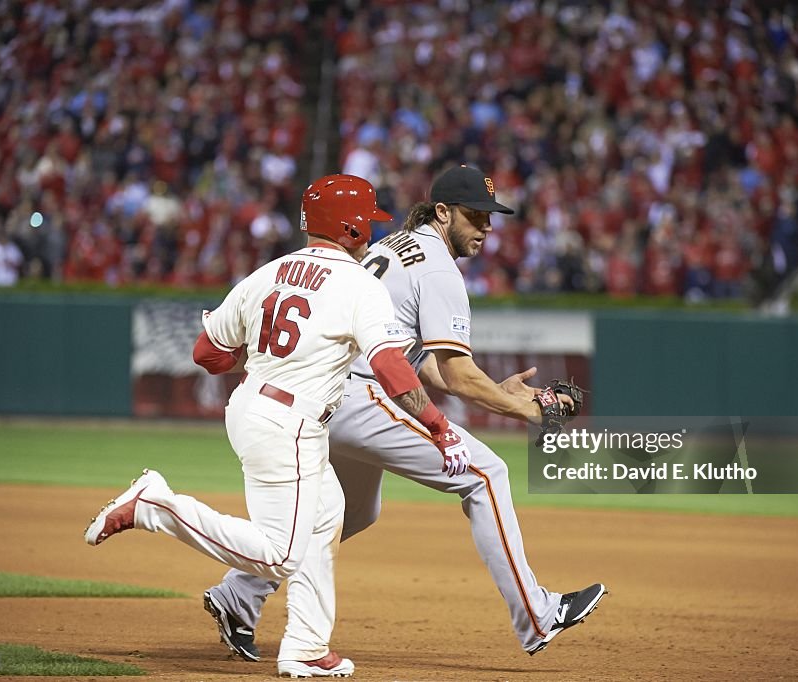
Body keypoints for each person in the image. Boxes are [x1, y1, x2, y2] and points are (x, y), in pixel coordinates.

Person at [205, 165, 606, 661]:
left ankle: (239, 595)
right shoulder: (438, 266)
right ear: (443, 212)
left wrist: (508, 396)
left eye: (490, 217)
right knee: (485, 474)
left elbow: (425, 363)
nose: (485, 226)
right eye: (474, 215)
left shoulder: (395, 244)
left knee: (355, 510)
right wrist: (528, 412)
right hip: (359, 392)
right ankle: (537, 613)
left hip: (334, 391)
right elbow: (454, 376)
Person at [84, 174, 474, 679]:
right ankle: (156, 506)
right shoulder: (360, 285)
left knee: (327, 516)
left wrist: (261, 354)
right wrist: (438, 425)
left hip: (263, 408)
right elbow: (390, 366)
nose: (373, 234)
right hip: (287, 422)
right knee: (279, 555)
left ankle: (307, 646)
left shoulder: (270, 271)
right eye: (369, 223)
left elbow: (206, 353)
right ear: (353, 229)